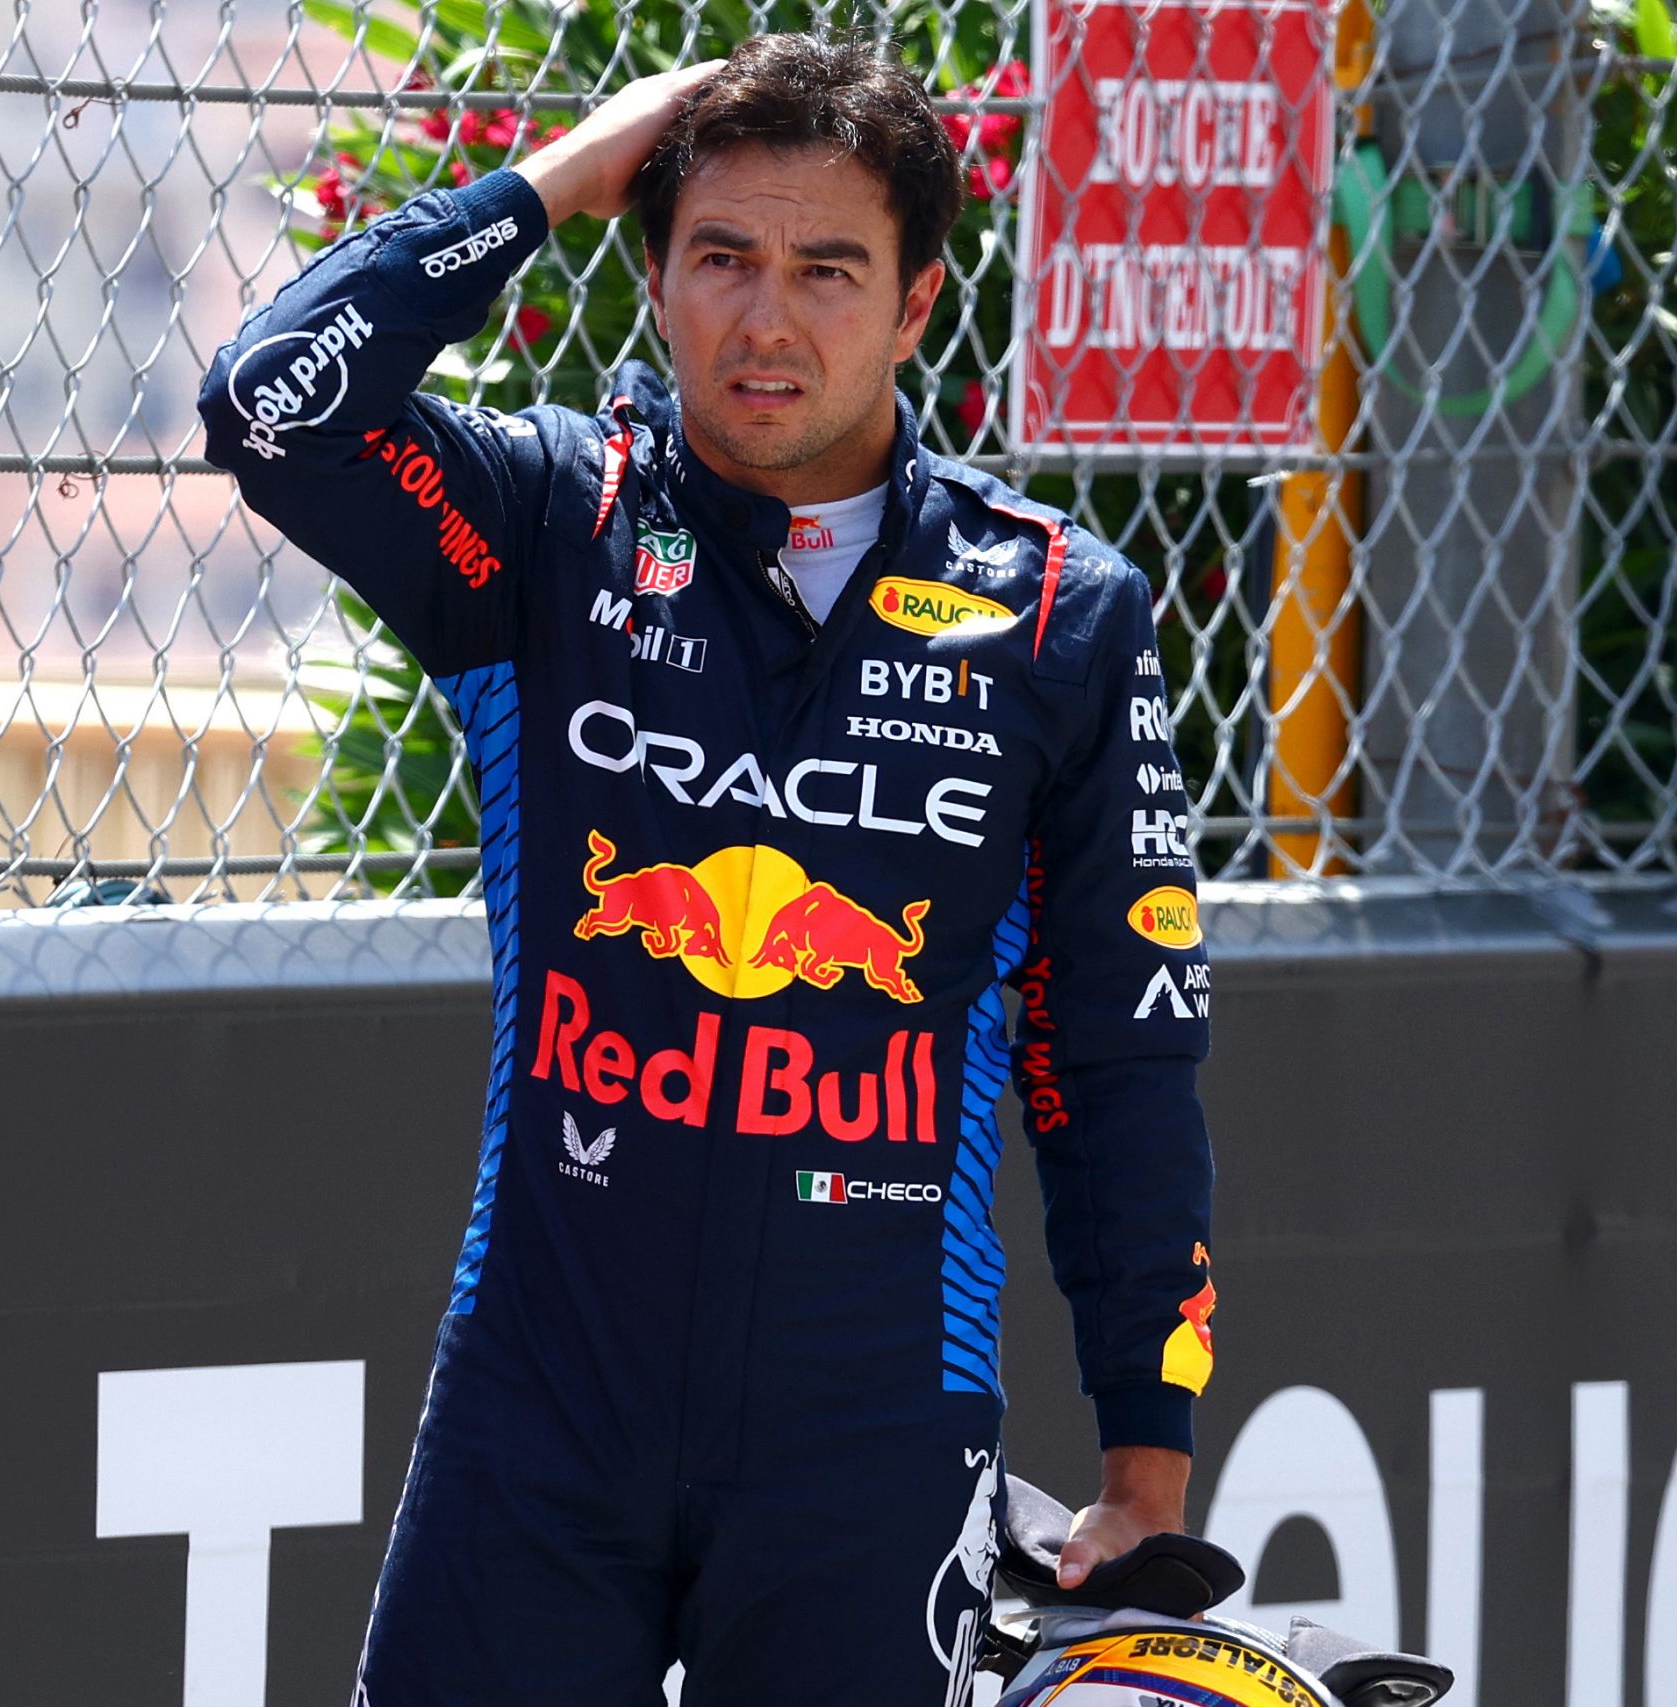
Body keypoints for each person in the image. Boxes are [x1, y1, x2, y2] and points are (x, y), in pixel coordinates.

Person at [198, 34, 1216, 1707]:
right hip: (541, 1406)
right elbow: (272, 404)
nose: (768, 319)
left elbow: (1119, 1056)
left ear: (914, 306)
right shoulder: (545, 526)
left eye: (830, 270)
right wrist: (554, 179)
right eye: (723, 257)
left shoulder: (1060, 615)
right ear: (655, 276)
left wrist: (1144, 1470)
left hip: (874, 1430)